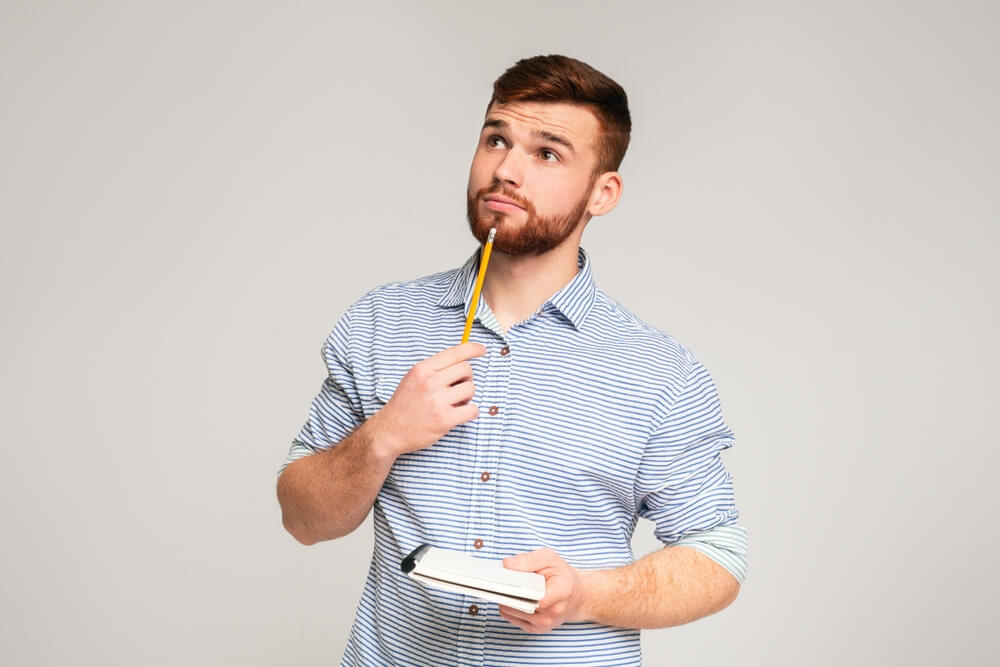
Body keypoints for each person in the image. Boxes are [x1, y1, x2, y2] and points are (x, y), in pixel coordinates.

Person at [277, 54, 747, 666]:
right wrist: (384, 435)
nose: (505, 170)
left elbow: (718, 557)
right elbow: (302, 518)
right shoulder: (380, 323)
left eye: (547, 153)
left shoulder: (659, 371)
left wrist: (584, 593)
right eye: (496, 139)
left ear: (603, 193)